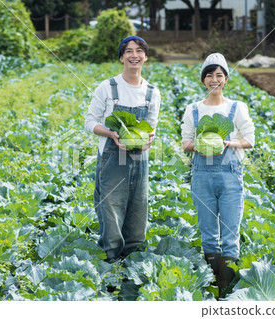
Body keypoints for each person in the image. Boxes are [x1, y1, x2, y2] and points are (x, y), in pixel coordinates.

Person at [181, 53, 255, 295]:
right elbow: (186, 144)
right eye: (209, 75)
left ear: (225, 79)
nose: (214, 79)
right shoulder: (193, 109)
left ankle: (229, 289)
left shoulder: (236, 108)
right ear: (204, 80)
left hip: (231, 175)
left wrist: (227, 142)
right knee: (209, 234)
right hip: (202, 175)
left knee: (231, 233)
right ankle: (215, 286)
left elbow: (249, 140)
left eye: (219, 75)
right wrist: (201, 145)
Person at [84, 36, 161, 262]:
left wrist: (149, 138)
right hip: (112, 159)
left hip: (139, 159)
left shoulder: (152, 92)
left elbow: (152, 127)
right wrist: (110, 133)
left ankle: (133, 266)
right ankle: (111, 264)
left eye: (139, 51)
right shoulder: (108, 87)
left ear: (145, 57)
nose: (134, 55)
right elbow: (89, 121)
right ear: (121, 57)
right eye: (128, 51)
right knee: (111, 210)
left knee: (138, 211)